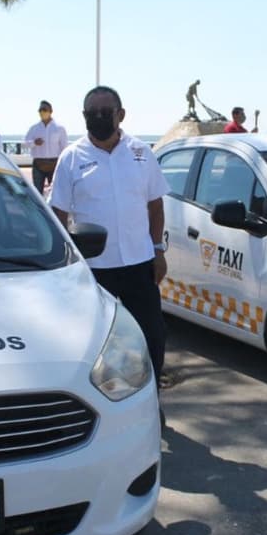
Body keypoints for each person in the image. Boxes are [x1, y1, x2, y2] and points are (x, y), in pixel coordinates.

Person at [50, 85, 171, 396]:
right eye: (92, 114)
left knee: (151, 338)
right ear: (84, 117)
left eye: (105, 112)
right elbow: (58, 215)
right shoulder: (71, 158)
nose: (99, 118)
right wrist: (62, 264)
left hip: (139, 263)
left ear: (121, 115)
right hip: (93, 269)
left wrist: (157, 250)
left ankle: (150, 401)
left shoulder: (142, 153)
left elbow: (155, 205)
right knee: (93, 343)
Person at [24, 100, 68, 194]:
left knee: (56, 193)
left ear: (51, 111)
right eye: (40, 110)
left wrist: (63, 165)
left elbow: (64, 148)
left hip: (54, 164)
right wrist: (34, 142)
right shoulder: (34, 128)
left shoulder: (59, 128)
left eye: (44, 109)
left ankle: (53, 209)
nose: (42, 112)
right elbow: (25, 143)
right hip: (38, 164)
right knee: (37, 193)